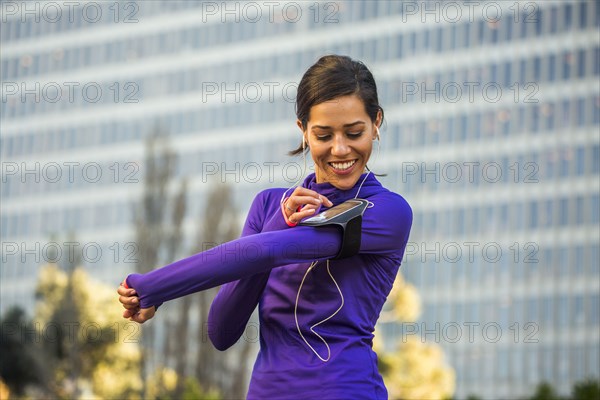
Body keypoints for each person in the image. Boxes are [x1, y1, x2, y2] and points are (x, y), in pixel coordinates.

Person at [117, 54, 412, 399]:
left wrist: (153, 287)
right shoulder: (269, 205)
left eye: (354, 132)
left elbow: (273, 248)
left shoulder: (387, 212)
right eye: (323, 135)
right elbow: (222, 331)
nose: (340, 149)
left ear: (376, 122)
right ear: (302, 130)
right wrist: (279, 221)